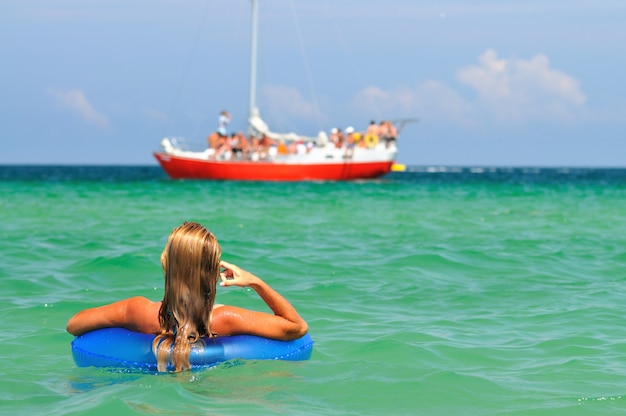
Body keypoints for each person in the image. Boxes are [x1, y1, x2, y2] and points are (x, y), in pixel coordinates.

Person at [66, 222, 308, 372]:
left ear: (166, 265)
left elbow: (74, 325)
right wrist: (255, 282)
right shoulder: (225, 319)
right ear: (214, 271)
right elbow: (296, 327)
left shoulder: (137, 311)